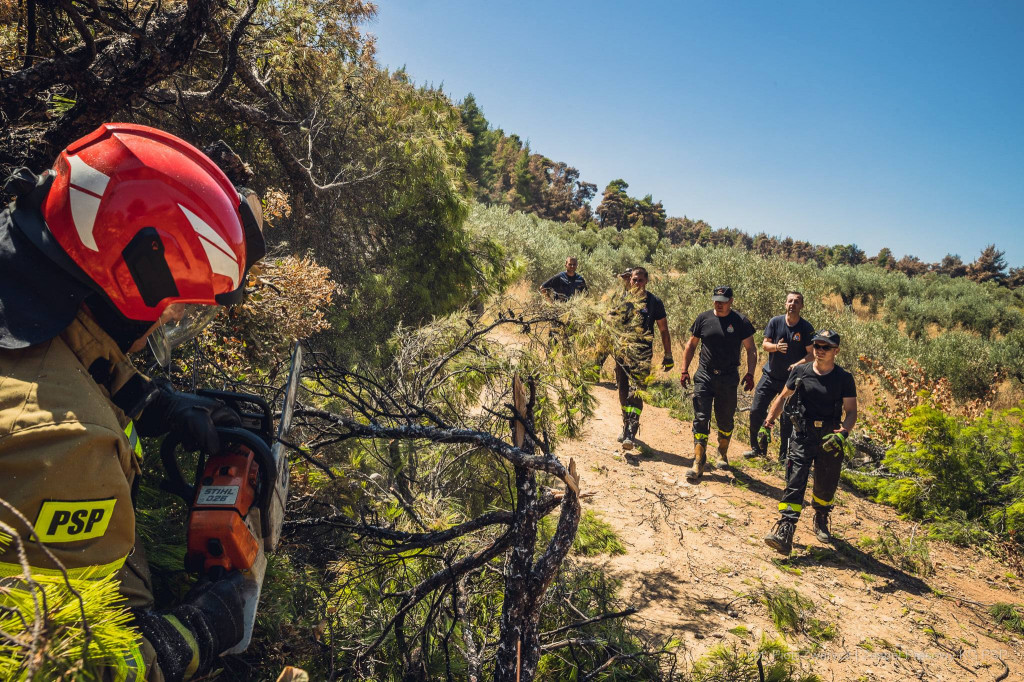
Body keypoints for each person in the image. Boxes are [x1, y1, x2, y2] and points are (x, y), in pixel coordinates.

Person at [0, 123, 267, 680]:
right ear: (130, 282)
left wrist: (149, 401)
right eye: (173, 314)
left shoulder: (22, 271)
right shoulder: (70, 446)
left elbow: (57, 346)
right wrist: (196, 634)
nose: (162, 329)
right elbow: (63, 664)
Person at [761, 330, 858, 555]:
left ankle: (821, 517)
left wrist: (843, 433)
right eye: (816, 346)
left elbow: (851, 412)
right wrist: (767, 423)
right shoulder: (801, 372)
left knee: (826, 483)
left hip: (829, 437)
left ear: (836, 351)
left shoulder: (844, 378)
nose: (820, 351)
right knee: (794, 479)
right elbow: (782, 398)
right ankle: (786, 528)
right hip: (802, 435)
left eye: (825, 347)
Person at [680, 286, 756, 482]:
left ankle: (722, 451)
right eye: (716, 299)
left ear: (731, 301)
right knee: (701, 417)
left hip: (729, 378)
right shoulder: (703, 318)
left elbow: (751, 349)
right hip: (705, 375)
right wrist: (684, 369)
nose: (719, 303)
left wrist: (750, 373)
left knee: (725, 419)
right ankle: (698, 461)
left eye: (723, 300)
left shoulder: (741, 321)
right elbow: (691, 345)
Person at [744, 291, 814, 461]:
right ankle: (758, 449)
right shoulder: (775, 322)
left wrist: (797, 365)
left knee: (786, 420)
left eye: (796, 302)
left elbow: (811, 355)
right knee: (756, 411)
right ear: (785, 304)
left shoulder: (806, 328)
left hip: (791, 383)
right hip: (770, 376)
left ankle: (784, 458)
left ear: (801, 306)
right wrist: (776, 347)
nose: (792, 304)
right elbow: (764, 345)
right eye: (790, 301)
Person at [613, 267, 673, 450]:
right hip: (623, 353)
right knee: (623, 391)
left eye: (640, 280)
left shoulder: (654, 302)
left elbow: (663, 329)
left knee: (637, 391)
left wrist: (668, 354)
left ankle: (631, 430)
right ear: (629, 280)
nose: (637, 283)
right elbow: (611, 322)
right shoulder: (623, 300)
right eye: (634, 280)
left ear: (646, 281)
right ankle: (626, 424)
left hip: (643, 354)